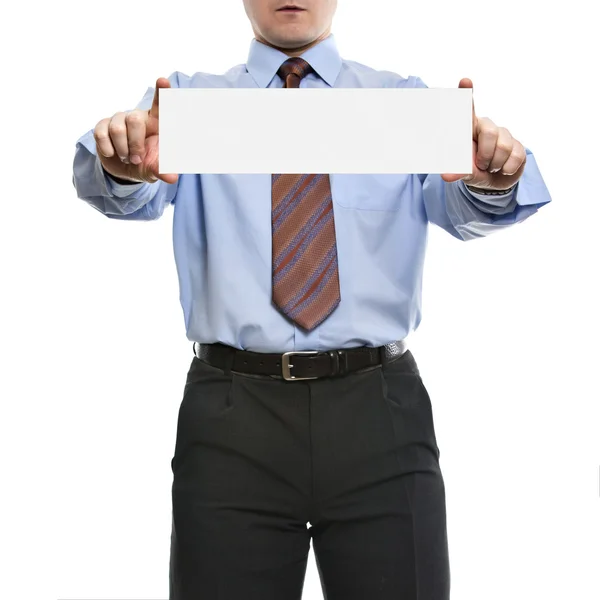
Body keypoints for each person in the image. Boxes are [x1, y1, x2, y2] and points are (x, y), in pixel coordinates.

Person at [71, 1, 552, 598]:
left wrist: (496, 182)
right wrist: (119, 168)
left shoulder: (403, 106)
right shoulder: (187, 107)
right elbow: (120, 190)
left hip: (380, 413)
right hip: (231, 419)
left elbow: (465, 209)